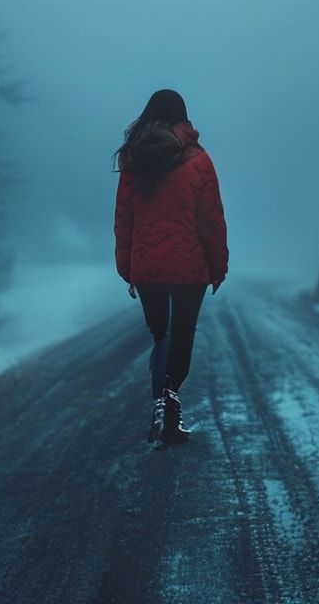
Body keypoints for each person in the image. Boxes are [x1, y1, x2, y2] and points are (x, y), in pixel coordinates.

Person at [113, 89, 228, 446]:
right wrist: (217, 265)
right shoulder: (200, 161)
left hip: (147, 267)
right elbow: (211, 219)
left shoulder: (134, 161)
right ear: (183, 117)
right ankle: (169, 411)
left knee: (161, 336)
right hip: (188, 267)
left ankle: (161, 410)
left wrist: (127, 267)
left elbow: (124, 219)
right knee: (181, 337)